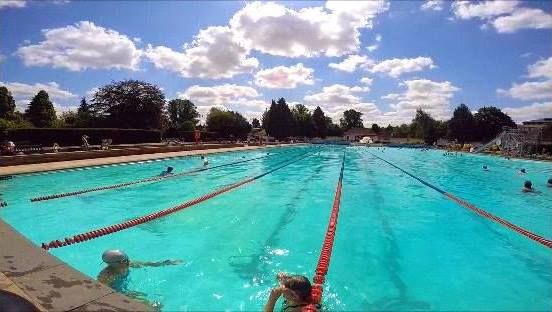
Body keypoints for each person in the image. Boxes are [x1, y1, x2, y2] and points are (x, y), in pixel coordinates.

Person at [97, 250, 182, 309]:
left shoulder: (128, 264)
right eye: (124, 260)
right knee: (153, 306)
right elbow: (103, 293)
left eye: (127, 259)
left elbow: (148, 264)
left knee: (157, 303)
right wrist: (126, 295)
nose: (128, 261)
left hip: (125, 290)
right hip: (119, 293)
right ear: (112, 264)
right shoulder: (106, 276)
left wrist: (166, 262)